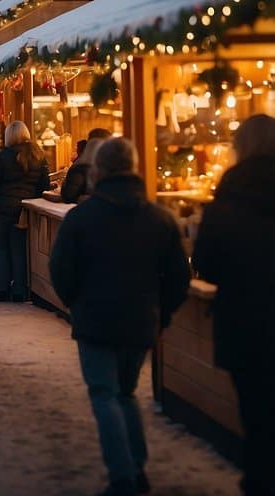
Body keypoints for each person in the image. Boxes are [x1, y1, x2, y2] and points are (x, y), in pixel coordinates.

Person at [49, 138, 190, 496]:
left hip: (95, 320)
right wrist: (162, 314)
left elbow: (61, 269)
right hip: (141, 321)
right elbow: (178, 277)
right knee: (125, 394)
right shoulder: (161, 219)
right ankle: (136, 467)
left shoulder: (81, 218)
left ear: (98, 170)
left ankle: (123, 476)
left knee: (104, 394)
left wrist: (75, 303)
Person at [193, 114, 275, 496]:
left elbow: (206, 264)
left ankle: (259, 481)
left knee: (256, 413)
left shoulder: (230, 193)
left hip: (246, 320)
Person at [0, 121, 50, 303]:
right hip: (24, 211)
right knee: (20, 250)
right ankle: (20, 290)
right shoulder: (38, 155)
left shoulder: (3, 156)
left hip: (2, 209)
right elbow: (44, 185)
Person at [61, 138, 104, 204]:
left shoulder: (79, 166)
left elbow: (68, 196)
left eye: (76, 149)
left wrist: (64, 182)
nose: (74, 152)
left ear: (79, 150)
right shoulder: (99, 162)